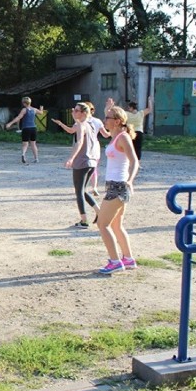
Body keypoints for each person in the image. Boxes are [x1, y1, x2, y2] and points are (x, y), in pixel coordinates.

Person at [96, 106, 140, 274]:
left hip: (119, 186)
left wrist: (130, 180)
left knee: (102, 223)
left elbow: (134, 161)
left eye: (108, 117)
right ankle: (128, 259)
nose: (105, 119)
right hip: (114, 185)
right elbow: (106, 133)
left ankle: (115, 261)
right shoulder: (116, 136)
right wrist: (109, 108)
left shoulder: (123, 138)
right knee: (116, 225)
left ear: (117, 121)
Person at [63, 103, 100, 229]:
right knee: (83, 190)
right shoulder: (90, 124)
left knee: (79, 192)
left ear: (84, 113)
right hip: (91, 161)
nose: (74, 111)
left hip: (82, 161)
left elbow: (79, 142)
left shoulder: (81, 125)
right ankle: (99, 212)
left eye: (77, 110)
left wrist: (71, 158)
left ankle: (84, 220)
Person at [4, 96, 44, 163]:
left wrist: (10, 123)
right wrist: (41, 109)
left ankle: (23, 154)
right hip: (33, 128)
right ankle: (36, 158)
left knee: (25, 144)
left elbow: (18, 117)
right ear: (30, 102)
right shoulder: (34, 109)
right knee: (33, 144)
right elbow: (41, 113)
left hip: (26, 129)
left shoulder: (24, 110)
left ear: (24, 103)